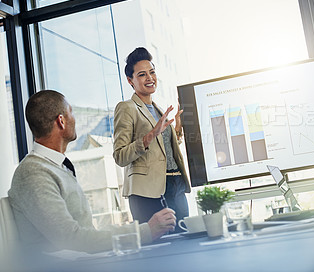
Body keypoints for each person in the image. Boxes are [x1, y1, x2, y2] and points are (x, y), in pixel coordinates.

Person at [8, 90, 176, 254]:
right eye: (71, 113)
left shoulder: (57, 167)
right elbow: (71, 238)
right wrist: (145, 232)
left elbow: (84, 231)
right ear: (61, 121)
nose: (75, 120)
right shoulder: (34, 174)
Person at [113, 47, 191, 231]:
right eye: (142, 74)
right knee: (160, 249)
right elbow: (120, 156)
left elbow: (161, 151)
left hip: (175, 184)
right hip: (147, 193)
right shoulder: (127, 108)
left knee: (184, 240)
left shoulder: (157, 110)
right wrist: (151, 135)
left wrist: (177, 130)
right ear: (130, 81)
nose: (150, 78)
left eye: (152, 72)